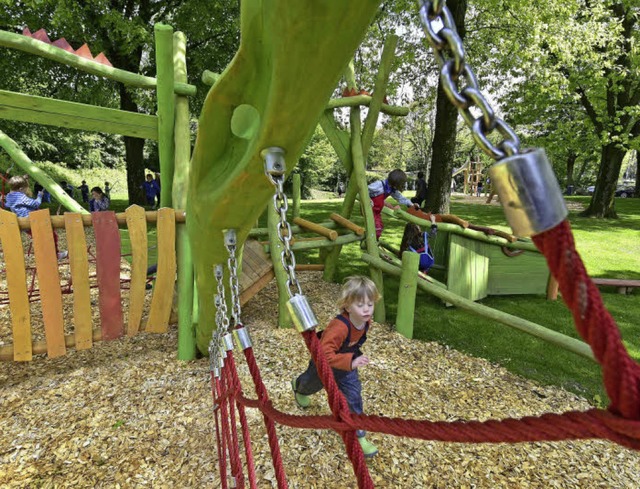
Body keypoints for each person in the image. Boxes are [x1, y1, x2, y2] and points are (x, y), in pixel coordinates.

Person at [291, 276, 381, 458]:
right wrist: (351, 361)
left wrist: (351, 362)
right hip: (323, 363)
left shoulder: (365, 322)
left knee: (353, 395)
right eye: (360, 305)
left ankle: (358, 435)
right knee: (311, 385)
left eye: (370, 304)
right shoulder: (339, 327)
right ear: (347, 307)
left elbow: (353, 343)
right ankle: (298, 385)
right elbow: (324, 354)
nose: (366, 310)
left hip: (346, 366)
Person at [4, 175, 67, 260]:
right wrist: (39, 196)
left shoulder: (9, 196)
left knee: (40, 238)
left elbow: (10, 202)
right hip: (33, 221)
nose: (26, 191)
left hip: (25, 224)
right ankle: (55, 255)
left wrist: (23, 179)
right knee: (51, 235)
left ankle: (46, 255)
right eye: (25, 189)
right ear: (21, 189)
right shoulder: (20, 196)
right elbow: (35, 204)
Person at [368, 169, 419, 239]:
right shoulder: (378, 185)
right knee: (377, 228)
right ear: (396, 183)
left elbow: (400, 198)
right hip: (370, 210)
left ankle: (373, 242)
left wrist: (412, 205)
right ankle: (371, 242)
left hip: (377, 211)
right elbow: (365, 190)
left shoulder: (391, 189)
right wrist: (369, 201)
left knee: (380, 228)